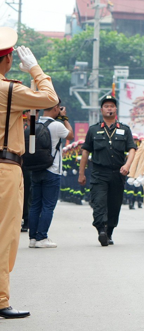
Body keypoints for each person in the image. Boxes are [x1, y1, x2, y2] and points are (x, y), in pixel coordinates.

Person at [0, 31, 58, 319]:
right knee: (5, 236)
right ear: (8, 58)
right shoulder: (7, 90)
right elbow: (49, 99)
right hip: (4, 169)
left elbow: (33, 109)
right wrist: (36, 69)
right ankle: (0, 299)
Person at [78, 95, 137, 247]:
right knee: (99, 202)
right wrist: (81, 174)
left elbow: (132, 149)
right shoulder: (93, 130)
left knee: (114, 204)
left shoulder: (124, 130)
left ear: (116, 109)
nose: (109, 108)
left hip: (117, 174)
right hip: (99, 173)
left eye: (112, 106)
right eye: (106, 106)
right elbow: (85, 152)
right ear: (101, 110)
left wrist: (127, 165)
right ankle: (101, 230)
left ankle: (109, 231)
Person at [27, 103, 73, 248]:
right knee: (48, 206)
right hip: (52, 170)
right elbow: (70, 135)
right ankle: (42, 237)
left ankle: (33, 238)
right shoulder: (57, 126)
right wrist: (64, 117)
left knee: (35, 205)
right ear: (55, 108)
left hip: (36, 169)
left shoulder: (35, 123)